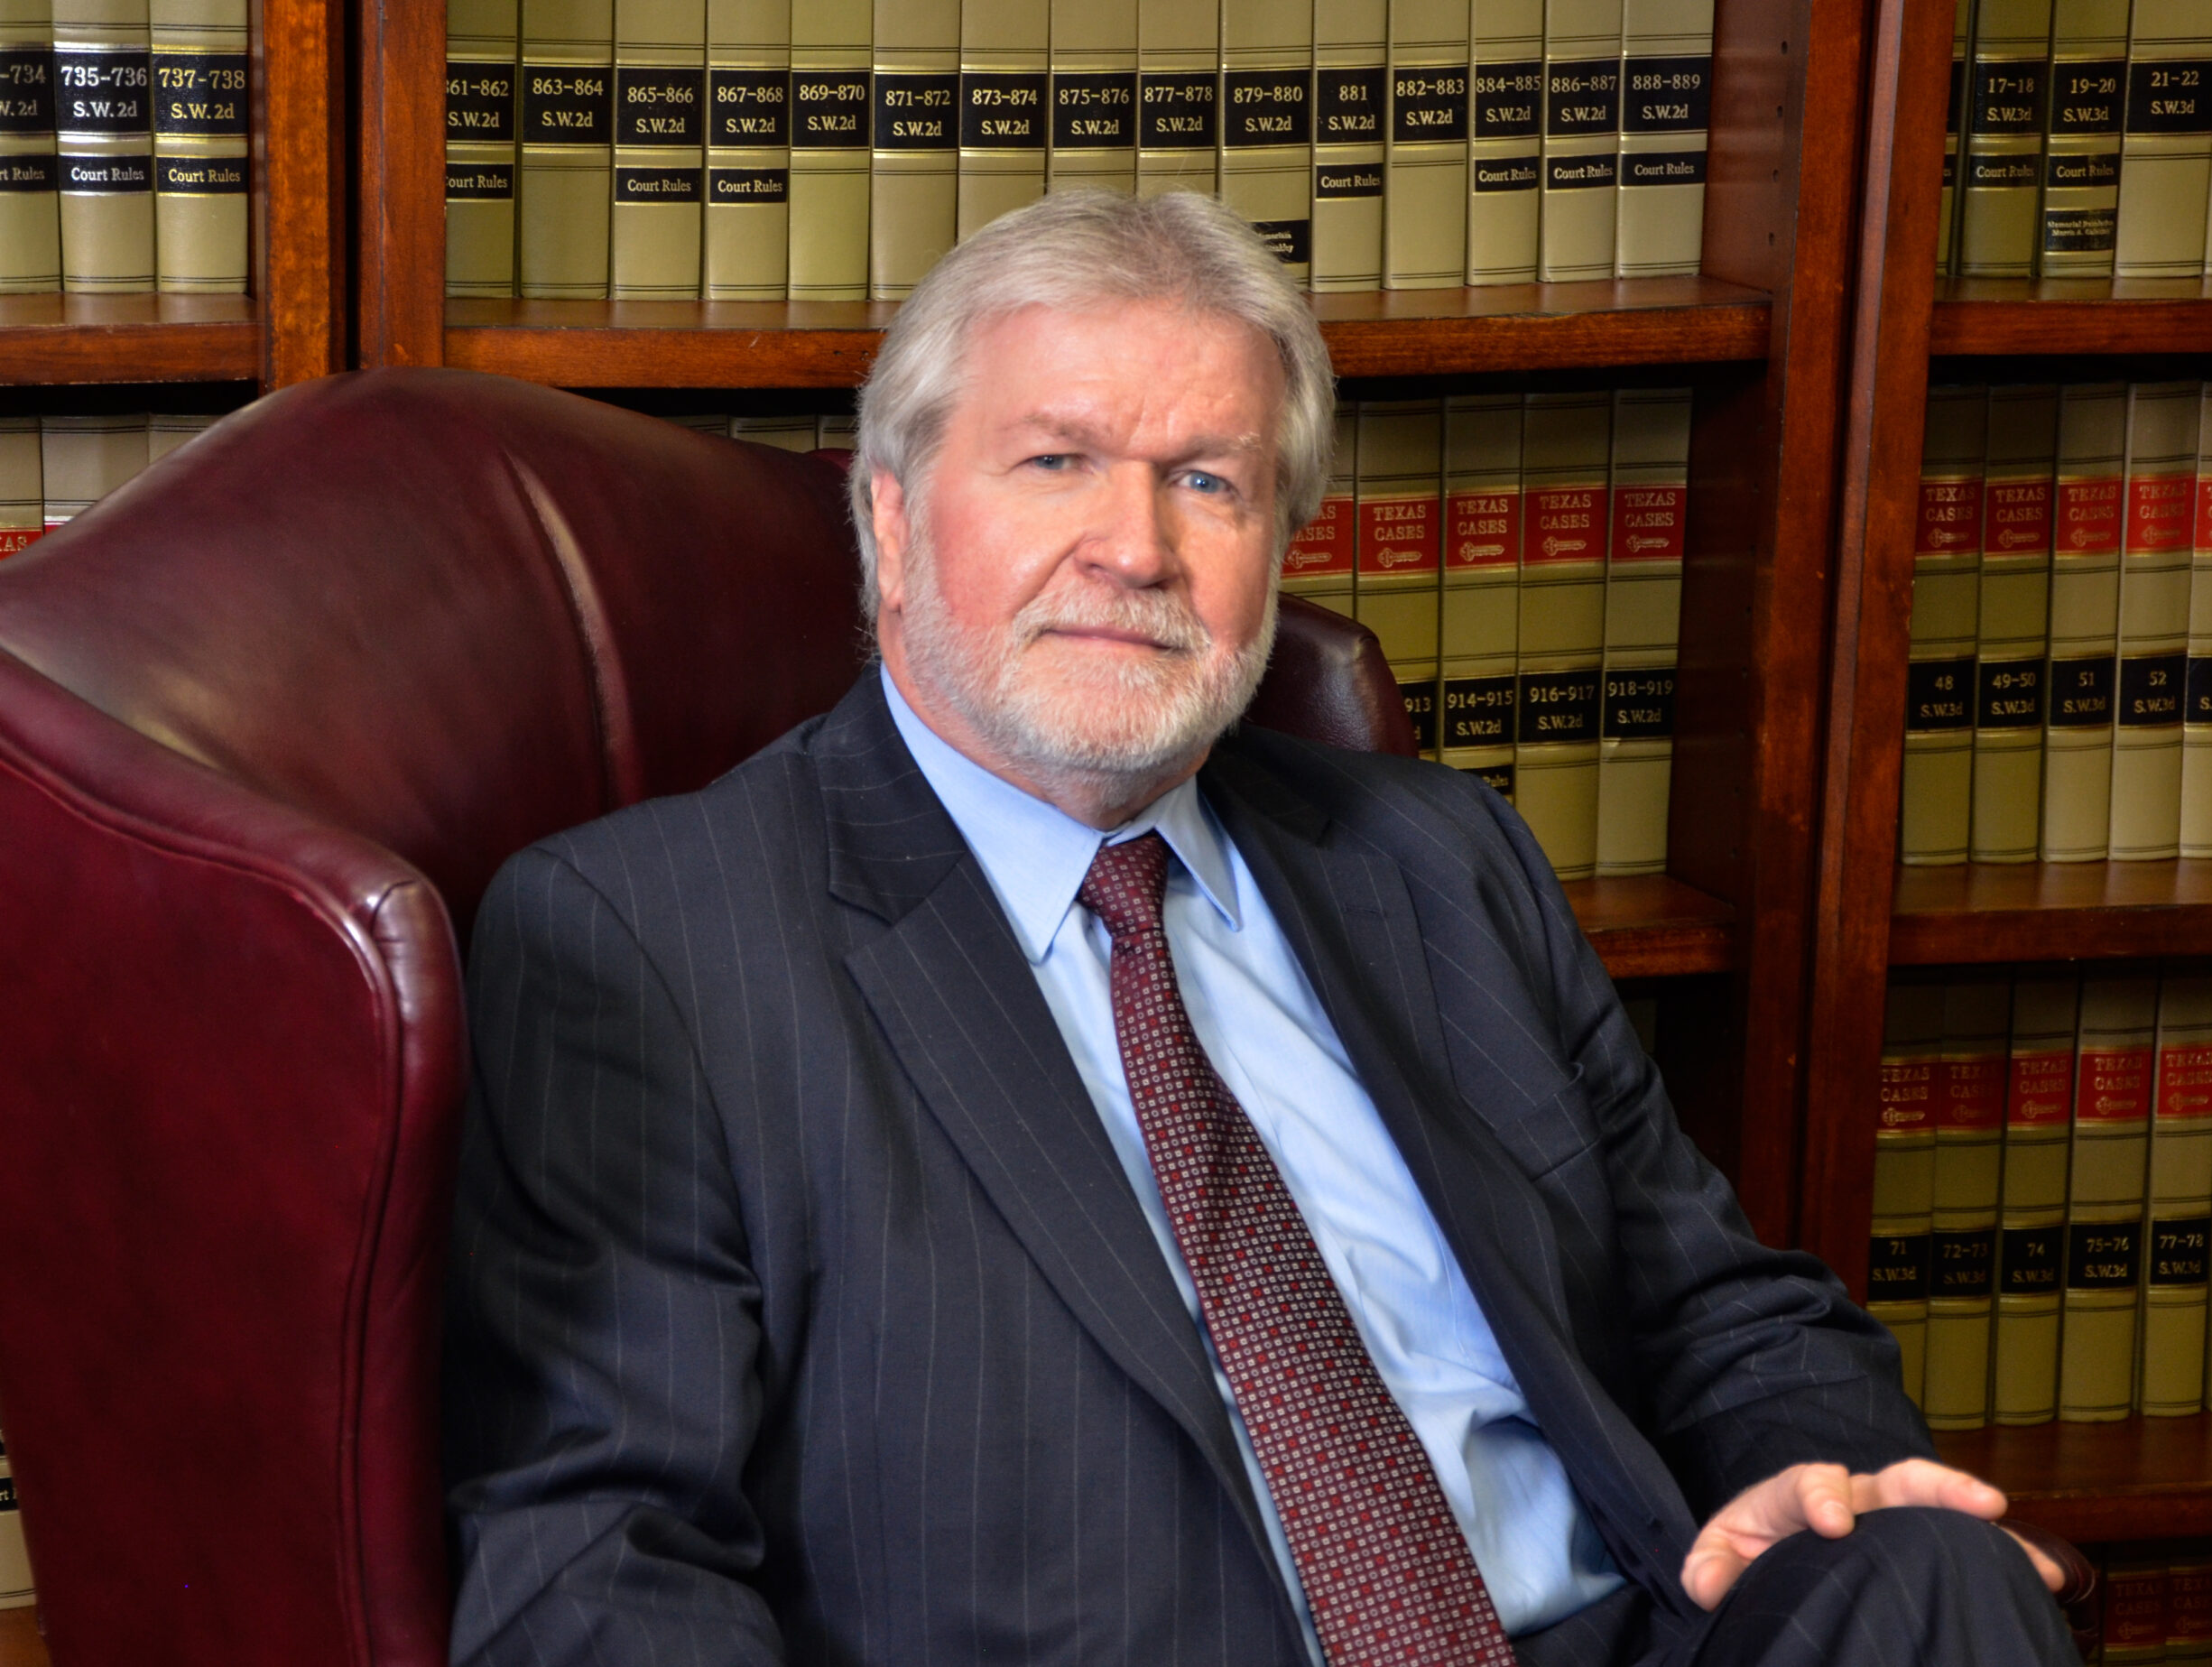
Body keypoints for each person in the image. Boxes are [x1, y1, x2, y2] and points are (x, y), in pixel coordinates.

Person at [441, 190, 2075, 1667]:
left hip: (1603, 1633)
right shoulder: (651, 942)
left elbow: (1717, 1307)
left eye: (1206, 483)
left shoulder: (1437, 858)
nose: (1135, 548)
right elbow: (600, 1555)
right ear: (890, 522)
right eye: (1057, 461)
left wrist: (1823, 1477)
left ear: (1280, 550)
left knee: (1932, 1574)